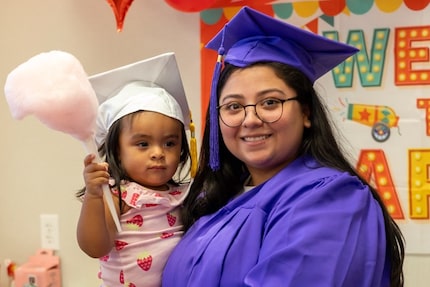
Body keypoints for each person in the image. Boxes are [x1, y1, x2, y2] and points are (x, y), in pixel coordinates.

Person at [162, 7, 404, 287]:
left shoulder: (332, 198)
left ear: (306, 113)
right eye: (233, 106)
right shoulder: (218, 200)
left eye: (270, 102)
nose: (250, 119)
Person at [76, 52, 196, 287]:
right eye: (143, 144)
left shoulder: (182, 194)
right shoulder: (117, 195)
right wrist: (93, 196)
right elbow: (94, 247)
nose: (158, 153)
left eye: (170, 143)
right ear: (117, 150)